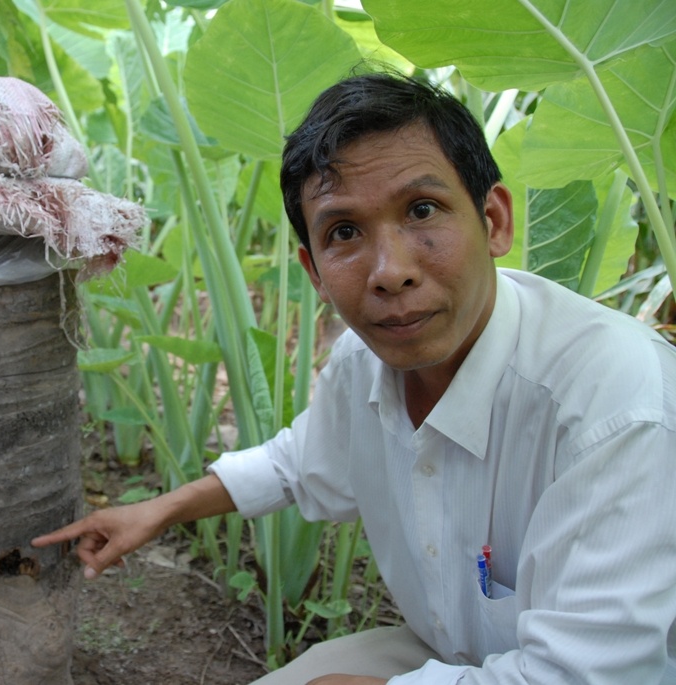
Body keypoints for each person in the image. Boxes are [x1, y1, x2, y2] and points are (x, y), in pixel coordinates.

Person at [33, 71, 676, 684]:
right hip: (452, 652)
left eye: (422, 210)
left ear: (494, 220)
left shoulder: (613, 405)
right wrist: (157, 511)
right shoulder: (364, 363)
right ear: (314, 271)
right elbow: (297, 462)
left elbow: (589, 672)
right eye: (345, 231)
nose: (389, 270)